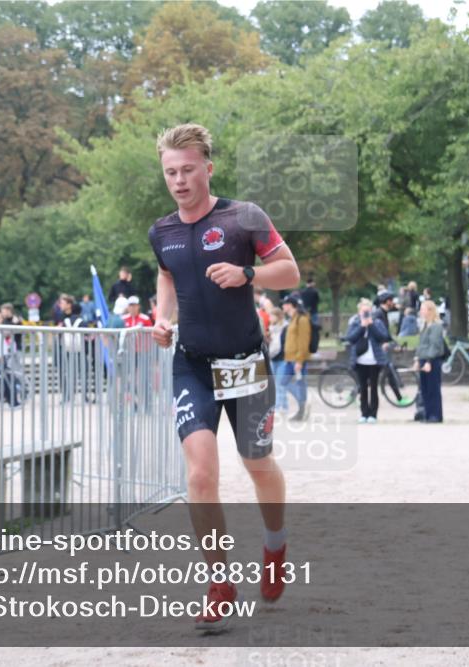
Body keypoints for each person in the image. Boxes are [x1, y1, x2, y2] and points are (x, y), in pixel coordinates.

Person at [147, 123, 299, 630]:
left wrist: (248, 274)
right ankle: (219, 582)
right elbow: (167, 275)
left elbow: (290, 271)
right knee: (200, 476)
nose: (180, 180)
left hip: (243, 362)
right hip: (192, 362)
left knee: (257, 463)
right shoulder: (161, 231)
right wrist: (162, 318)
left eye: (188, 169)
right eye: (171, 172)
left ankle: (274, 547)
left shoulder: (243, 218)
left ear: (208, 168)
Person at [345, 297, 390, 423]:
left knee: (374, 388)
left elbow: (383, 337)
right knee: (363, 388)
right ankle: (364, 413)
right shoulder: (355, 322)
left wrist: (370, 325)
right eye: (363, 311)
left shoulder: (377, 322)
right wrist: (361, 327)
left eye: (368, 311)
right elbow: (351, 338)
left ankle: (373, 414)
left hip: (374, 361)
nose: (365, 314)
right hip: (360, 361)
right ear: (359, 311)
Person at [414, 300, 446, 423]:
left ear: (430, 311)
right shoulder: (424, 325)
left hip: (432, 360)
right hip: (423, 359)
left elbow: (435, 345)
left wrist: (428, 361)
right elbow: (421, 345)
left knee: (433, 388)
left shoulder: (436, 326)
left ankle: (435, 415)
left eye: (423, 309)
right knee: (425, 389)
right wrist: (417, 359)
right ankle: (427, 413)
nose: (421, 312)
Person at [280, 296, 312, 421]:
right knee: (287, 382)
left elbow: (303, 342)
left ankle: (302, 405)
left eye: (285, 304)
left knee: (295, 383)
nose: (283, 306)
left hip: (297, 359)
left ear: (291, 305)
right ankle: (302, 402)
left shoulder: (302, 319)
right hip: (290, 358)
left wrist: (299, 360)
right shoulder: (293, 319)